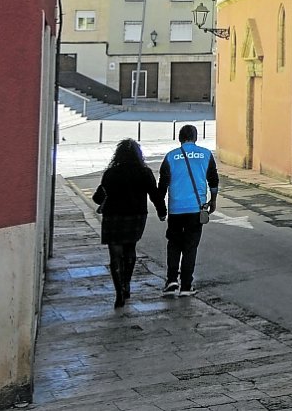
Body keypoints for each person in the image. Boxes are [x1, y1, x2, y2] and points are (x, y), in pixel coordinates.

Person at [92, 139, 166, 309]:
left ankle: (119, 292)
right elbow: (155, 195)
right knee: (130, 249)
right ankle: (127, 285)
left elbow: (97, 198)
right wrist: (162, 211)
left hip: (113, 217)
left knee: (115, 255)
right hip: (136, 216)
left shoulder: (110, 173)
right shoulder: (144, 172)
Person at [157, 124, 219, 297]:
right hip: (196, 209)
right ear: (195, 137)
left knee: (174, 244)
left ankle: (171, 280)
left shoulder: (170, 157)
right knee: (190, 247)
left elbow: (162, 185)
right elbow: (213, 180)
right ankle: (186, 286)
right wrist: (213, 201)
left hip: (176, 209)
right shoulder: (206, 154)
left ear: (180, 138)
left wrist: (161, 208)